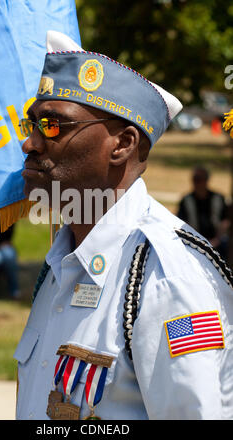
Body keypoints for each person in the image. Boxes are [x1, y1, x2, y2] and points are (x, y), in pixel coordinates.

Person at [14, 30, 233, 420]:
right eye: (31, 124)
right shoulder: (61, 263)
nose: (30, 143)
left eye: (52, 126)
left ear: (122, 144)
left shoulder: (167, 276)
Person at [177, 166, 230, 260]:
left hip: (217, 242)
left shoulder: (218, 198)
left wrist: (216, 240)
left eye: (199, 179)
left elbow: (225, 222)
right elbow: (181, 223)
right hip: (193, 242)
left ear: (206, 180)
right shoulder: (186, 200)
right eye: (194, 179)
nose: (196, 183)